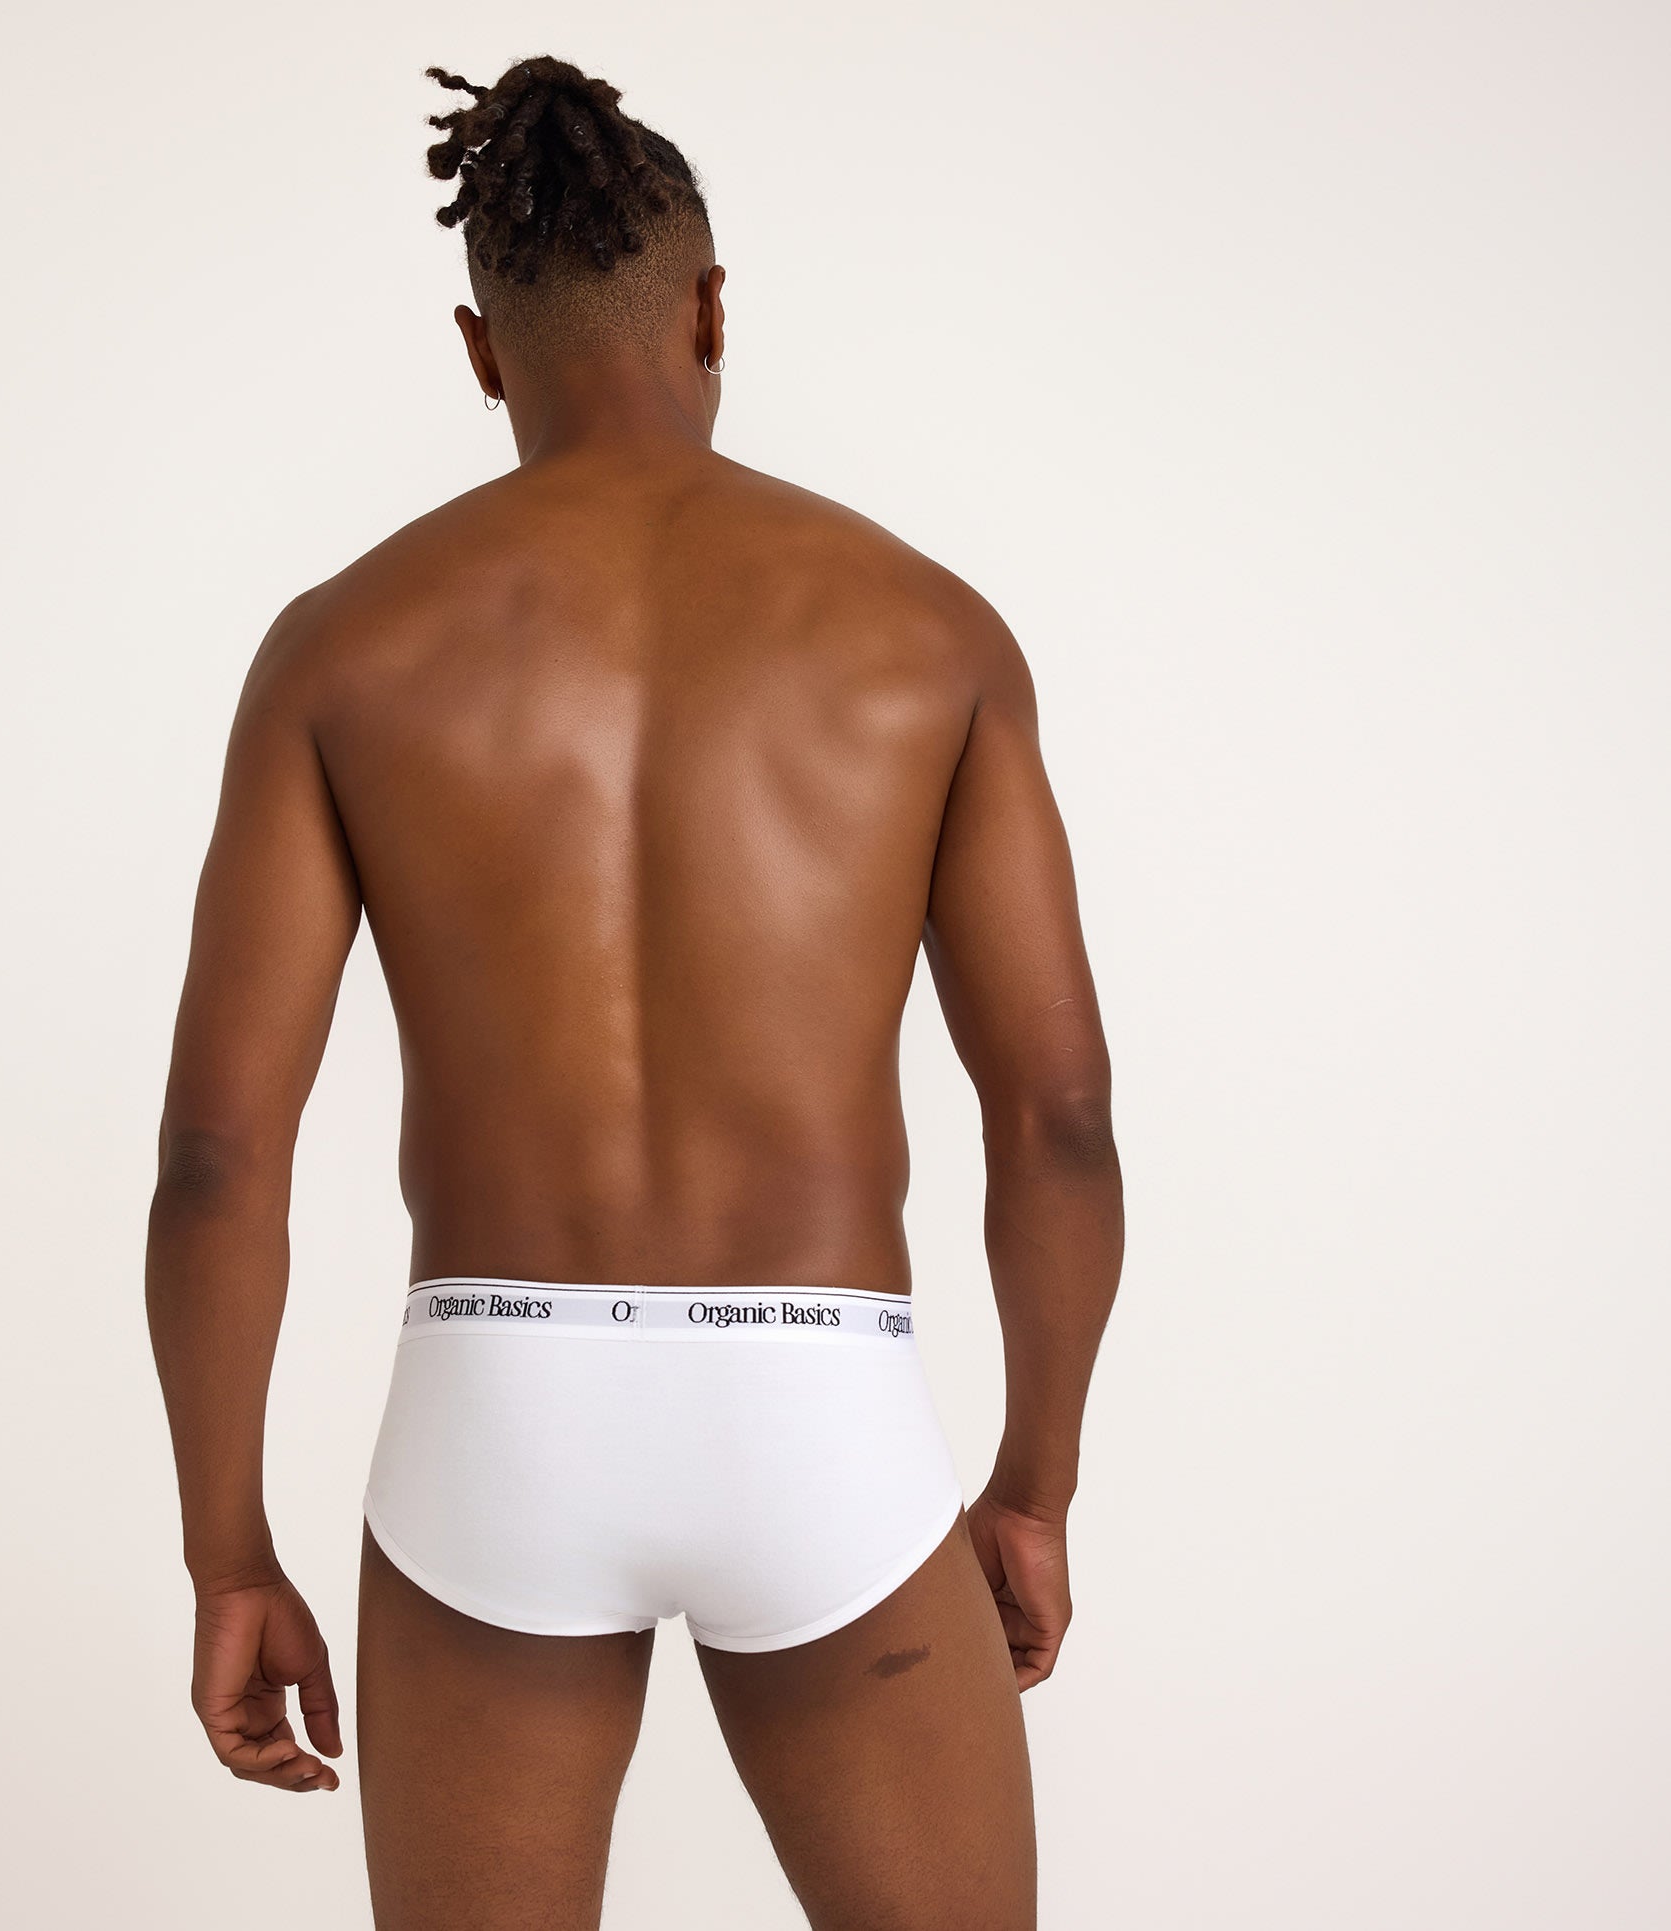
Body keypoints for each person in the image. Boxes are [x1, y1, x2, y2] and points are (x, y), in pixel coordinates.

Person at [145, 54, 1124, 1931]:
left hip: (494, 1408)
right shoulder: (927, 631)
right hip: (819, 1409)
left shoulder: (342, 646)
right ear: (712, 309)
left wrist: (227, 1556)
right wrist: (1032, 1485)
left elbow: (214, 1157)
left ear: (479, 352)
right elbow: (1058, 1118)